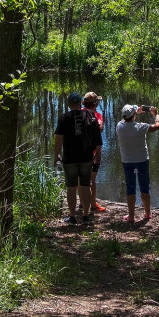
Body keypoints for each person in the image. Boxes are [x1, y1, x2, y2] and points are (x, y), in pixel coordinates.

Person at [53, 92, 103, 223]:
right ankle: (86, 215)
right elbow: (97, 136)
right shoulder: (90, 115)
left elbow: (58, 139)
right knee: (86, 185)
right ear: (80, 103)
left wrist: (56, 155)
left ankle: (72, 216)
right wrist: (98, 153)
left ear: (69, 104)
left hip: (69, 158)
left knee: (71, 188)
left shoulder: (64, 118)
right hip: (86, 157)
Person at [116, 103, 159, 223]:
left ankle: (131, 216)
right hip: (142, 160)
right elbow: (157, 126)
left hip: (127, 161)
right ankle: (147, 213)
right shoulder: (141, 127)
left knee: (130, 187)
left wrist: (135, 112)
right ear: (134, 115)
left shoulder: (119, 126)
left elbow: (125, 120)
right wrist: (156, 115)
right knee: (144, 186)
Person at [83, 91, 108, 213]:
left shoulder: (78, 114)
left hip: (80, 151)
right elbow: (100, 128)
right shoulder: (97, 115)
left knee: (82, 178)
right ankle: (92, 203)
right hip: (93, 151)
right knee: (92, 179)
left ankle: (83, 202)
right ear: (95, 103)